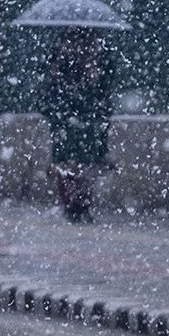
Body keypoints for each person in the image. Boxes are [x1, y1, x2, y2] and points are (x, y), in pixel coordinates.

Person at [39, 28, 117, 223]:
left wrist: (95, 78)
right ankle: (72, 205)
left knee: (86, 167)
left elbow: (105, 90)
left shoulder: (100, 58)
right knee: (68, 166)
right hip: (68, 119)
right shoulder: (58, 59)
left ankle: (81, 204)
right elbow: (48, 92)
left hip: (87, 120)